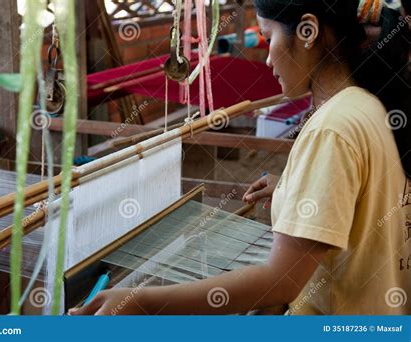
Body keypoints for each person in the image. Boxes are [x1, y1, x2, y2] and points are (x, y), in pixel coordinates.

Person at [70, 0, 411, 315]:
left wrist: (139, 302)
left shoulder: (331, 129)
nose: (266, 59)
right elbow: (360, 206)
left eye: (268, 39)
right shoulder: (365, 105)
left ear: (308, 32)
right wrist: (293, 191)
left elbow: (281, 281)